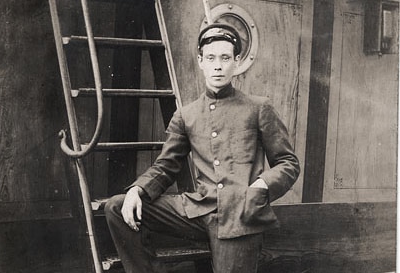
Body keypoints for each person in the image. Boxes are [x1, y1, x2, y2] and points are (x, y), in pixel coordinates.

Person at [104, 23, 300, 273]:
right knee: (117, 207)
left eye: (225, 58)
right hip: (196, 210)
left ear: (236, 61)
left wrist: (260, 187)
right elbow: (166, 166)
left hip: (240, 215)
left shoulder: (258, 108)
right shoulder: (187, 115)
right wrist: (138, 190)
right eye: (211, 58)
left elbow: (288, 163)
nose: (218, 65)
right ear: (200, 61)